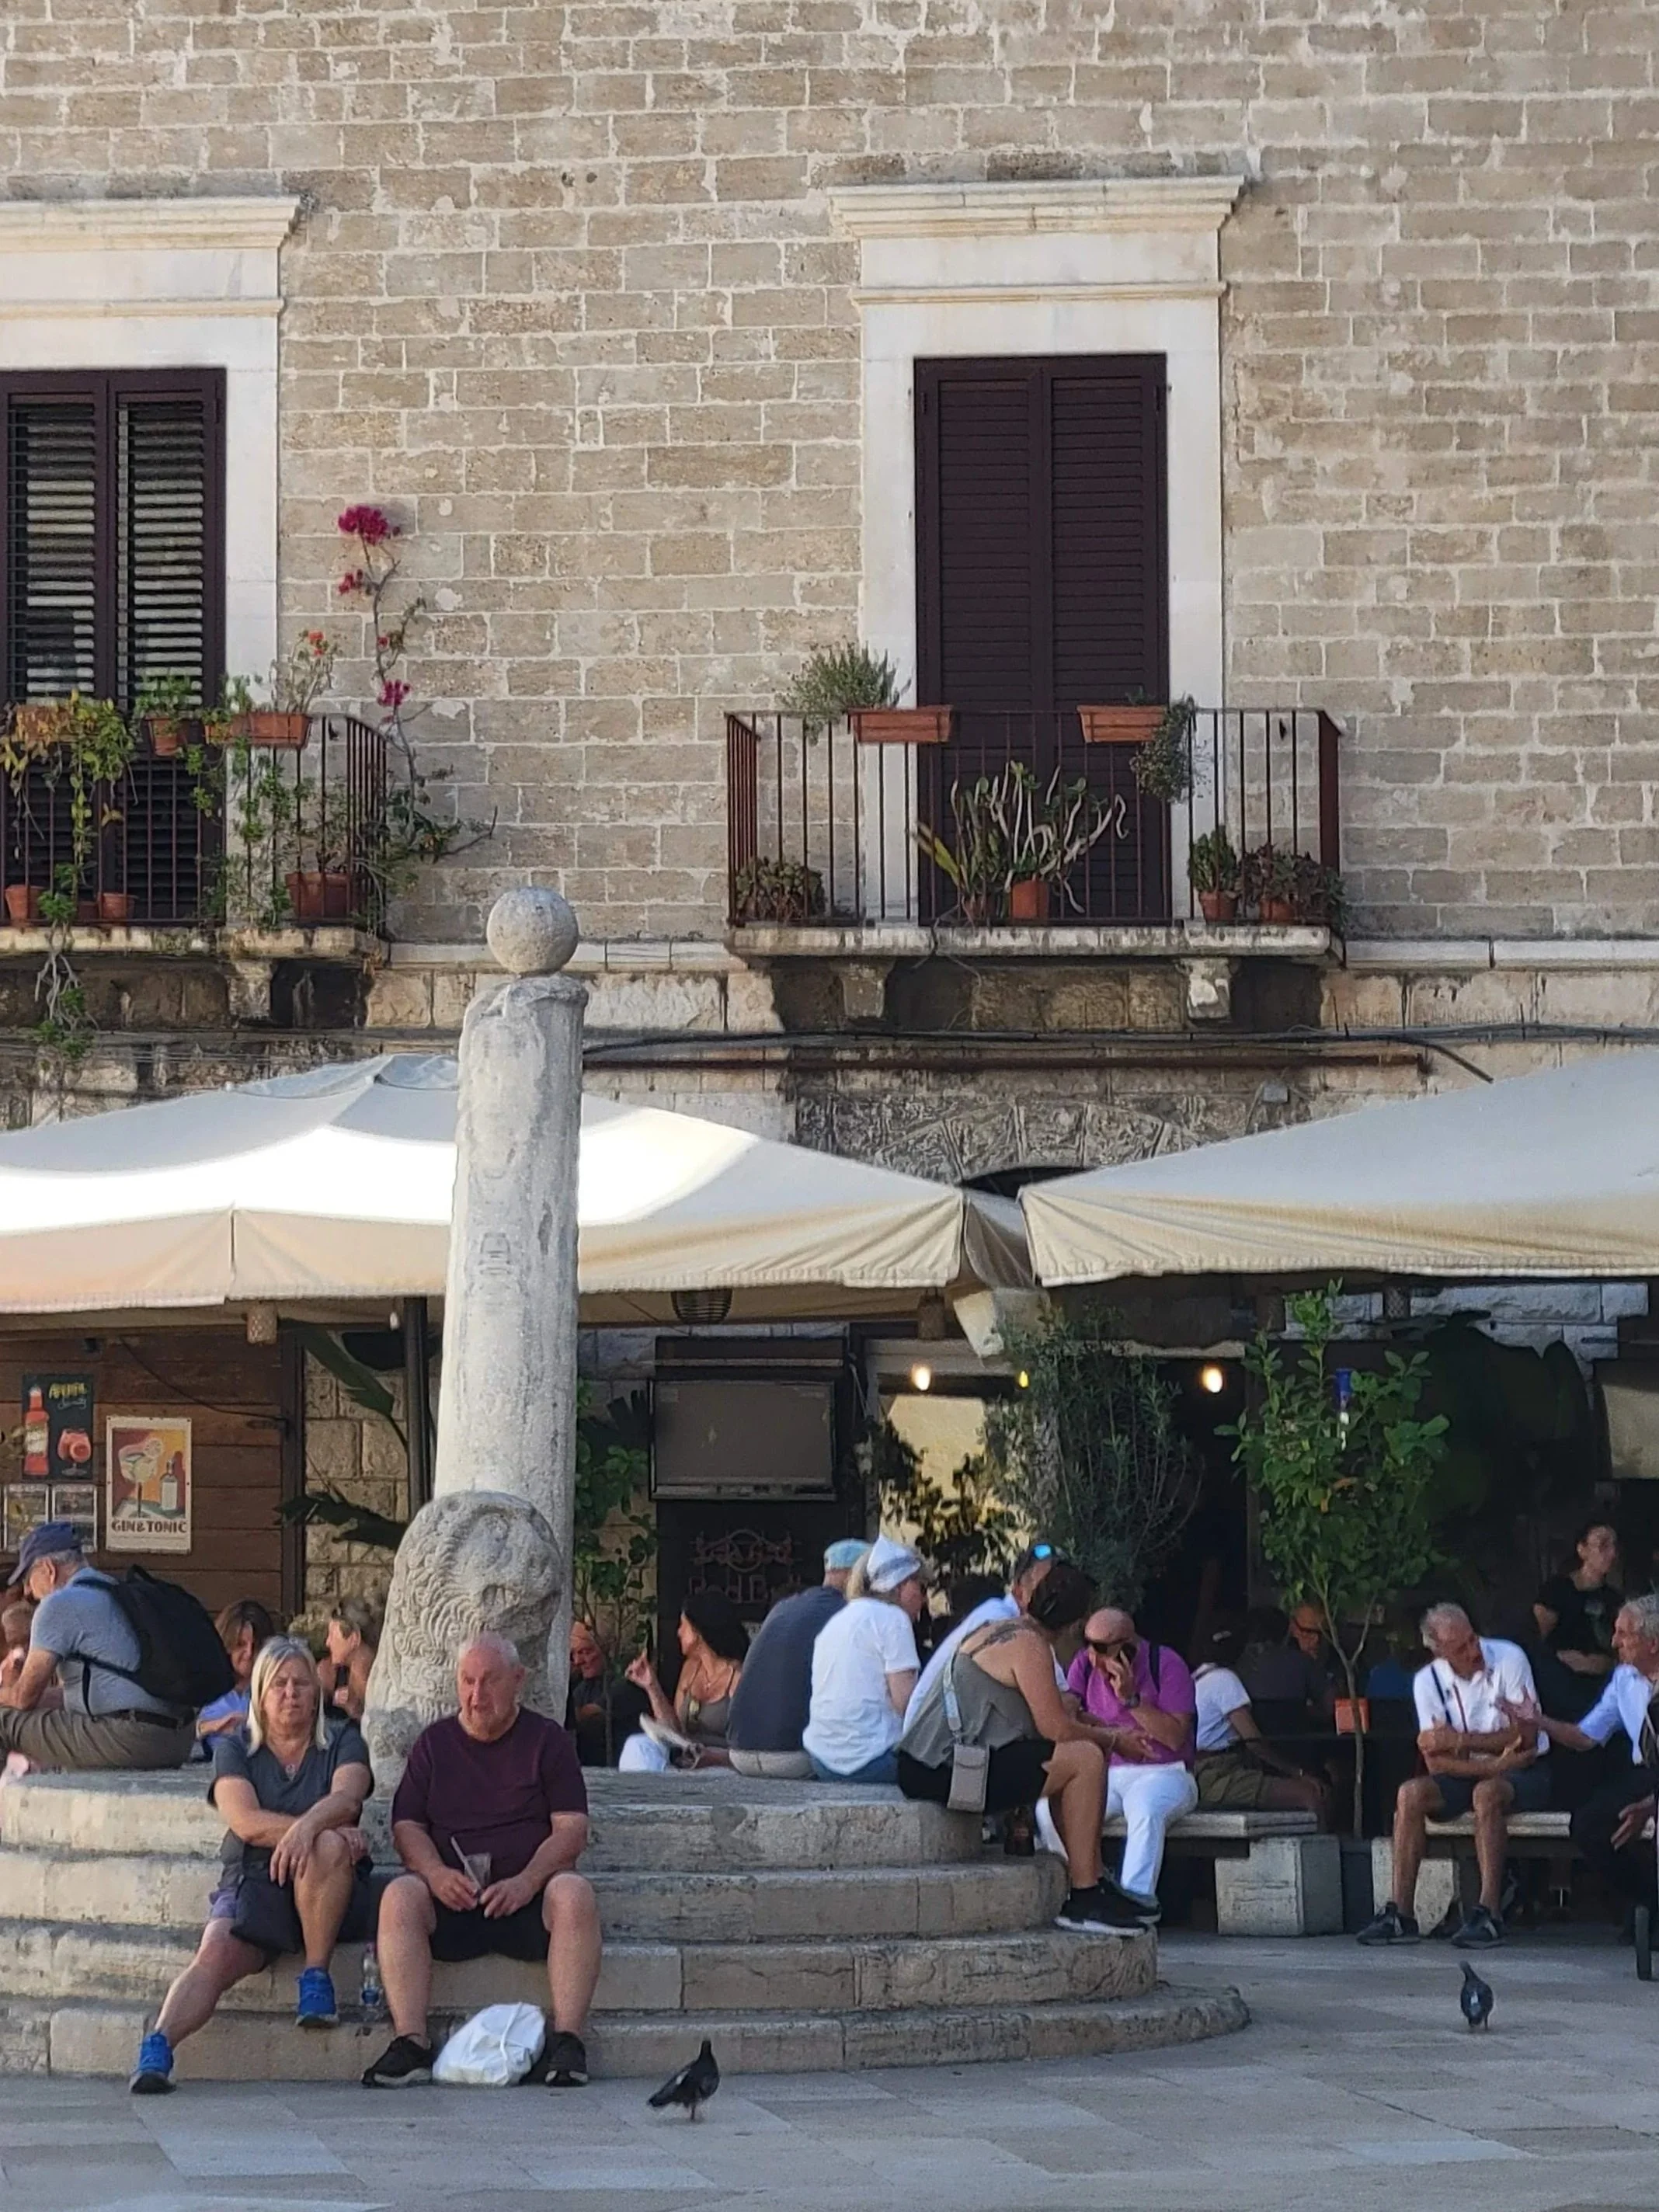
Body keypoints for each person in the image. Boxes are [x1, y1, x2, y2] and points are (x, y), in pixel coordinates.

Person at [129, 1636, 375, 2094]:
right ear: (260, 1694)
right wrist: (316, 1827)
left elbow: (347, 1798)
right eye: (278, 1684)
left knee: (326, 1848)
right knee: (215, 1953)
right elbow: (244, 1821)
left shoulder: (344, 1739)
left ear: (316, 1692)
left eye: (301, 1683)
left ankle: (316, 1977)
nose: (290, 1693)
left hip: (328, 1883)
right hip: (255, 1878)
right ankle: (159, 2046)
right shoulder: (236, 1747)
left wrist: (311, 1833)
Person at [363, 1633, 601, 2090]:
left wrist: (528, 1881)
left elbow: (572, 1830)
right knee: (400, 1896)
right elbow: (406, 1827)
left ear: (518, 1680)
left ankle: (568, 2041)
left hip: (527, 1899)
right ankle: (411, 2042)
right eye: (468, 1681)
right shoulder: (434, 1745)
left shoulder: (547, 1741)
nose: (477, 1695)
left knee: (574, 1892)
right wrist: (435, 1874)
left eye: (490, 1681)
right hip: (454, 1899)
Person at [898, 1561, 1137, 1932]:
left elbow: (1049, 1713)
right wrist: (1115, 1740)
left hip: (927, 1763)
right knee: (1085, 1759)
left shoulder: (1000, 1628)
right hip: (943, 1769)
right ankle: (1085, 1894)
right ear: (1075, 1625)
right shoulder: (1030, 1646)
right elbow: (1056, 1729)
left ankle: (1094, 1880)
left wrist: (1094, 1726)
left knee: (1076, 1756)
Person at [1357, 1602, 1549, 1949]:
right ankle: (1401, 1913)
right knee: (1410, 1794)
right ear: (1440, 1653)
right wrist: (1492, 1763)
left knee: (1486, 1794)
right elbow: (1437, 1765)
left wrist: (1459, 1742)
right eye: (1460, 1648)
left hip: (1524, 1770)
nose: (1473, 1651)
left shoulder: (1509, 1658)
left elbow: (1526, 1738)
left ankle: (1489, 1912)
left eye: (1473, 1639)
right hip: (1484, 1771)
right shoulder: (1427, 1682)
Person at [0, 1522, 195, 1771]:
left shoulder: (58, 1604)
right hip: (179, 1740)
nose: (28, 1591)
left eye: (29, 1579)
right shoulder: (116, 1592)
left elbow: (23, 1698)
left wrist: (5, 1694)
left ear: (49, 1569)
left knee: (2, 1722)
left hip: (133, 1740)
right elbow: (82, 1693)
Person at [1515, 1593, 1659, 1922]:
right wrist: (1537, 1720)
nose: (1614, 1642)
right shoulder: (1624, 1679)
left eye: (1624, 1634)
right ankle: (1649, 1902)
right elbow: (1585, 1737)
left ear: (1652, 1644)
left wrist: (1653, 1803)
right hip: (1646, 1772)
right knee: (1588, 1825)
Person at [1066, 1606, 1198, 1918]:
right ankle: (1077, 1894)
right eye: (1087, 1644)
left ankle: (1135, 1905)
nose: (1093, 1655)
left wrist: (1131, 1700)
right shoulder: (1083, 1665)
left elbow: (1175, 1738)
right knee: (1052, 1808)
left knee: (1146, 1808)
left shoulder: (1167, 1663)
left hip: (1165, 1772)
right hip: (1107, 1771)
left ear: (1127, 1646)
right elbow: (1066, 1712)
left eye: (1101, 1648)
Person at [726, 1539, 867, 1779]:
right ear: (858, 1576)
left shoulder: (784, 1607)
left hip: (739, 1752)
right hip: (793, 1756)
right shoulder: (849, 1616)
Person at [802, 1536, 923, 1784]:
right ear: (903, 1584)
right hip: (871, 1761)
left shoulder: (840, 1618)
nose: (924, 1599)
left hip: (822, 1761)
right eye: (921, 1587)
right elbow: (908, 1705)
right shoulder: (894, 1619)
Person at [905, 1542, 1061, 1727]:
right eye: (1044, 1589)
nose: (1053, 1597)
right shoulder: (1001, 1621)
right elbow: (1054, 1714)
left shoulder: (1011, 1619)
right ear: (1019, 1592)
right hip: (935, 1737)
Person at [1191, 1624, 1330, 1821]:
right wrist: (1297, 1772)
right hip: (1216, 1775)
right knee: (1311, 1795)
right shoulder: (1225, 1680)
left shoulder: (1197, 1677)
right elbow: (1254, 1742)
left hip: (1201, 1773)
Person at [617, 1591, 750, 1772]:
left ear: (697, 1631)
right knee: (637, 1745)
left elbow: (749, 1750)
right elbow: (675, 1730)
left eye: (682, 1625)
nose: (678, 1633)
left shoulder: (739, 1676)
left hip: (723, 1767)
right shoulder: (690, 1669)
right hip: (688, 1761)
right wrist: (651, 1685)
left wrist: (713, 1758)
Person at [1532, 1520, 1622, 1719]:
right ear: (1582, 1550)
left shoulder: (1614, 1599)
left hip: (1602, 1687)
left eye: (1614, 1546)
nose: (1611, 1553)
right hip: (1561, 1685)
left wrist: (1604, 1663)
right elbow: (1535, 1637)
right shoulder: (1557, 1590)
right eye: (1603, 1546)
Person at [193, 1598, 276, 1754]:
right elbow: (172, 1734)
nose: (249, 1654)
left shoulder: (277, 1688)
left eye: (256, 1646)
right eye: (240, 1644)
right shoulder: (200, 1684)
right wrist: (211, 1726)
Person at [565, 1618, 649, 1768]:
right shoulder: (584, 1687)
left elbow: (582, 1717)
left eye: (586, 1652)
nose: (577, 1661)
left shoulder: (625, 1686)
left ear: (604, 1648)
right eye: (574, 1654)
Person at [323, 1596, 383, 1723]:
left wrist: (356, 1713)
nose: (328, 1642)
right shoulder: (333, 1674)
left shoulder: (380, 1683)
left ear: (354, 1638)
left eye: (332, 1635)